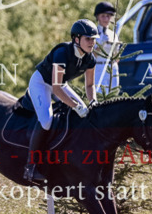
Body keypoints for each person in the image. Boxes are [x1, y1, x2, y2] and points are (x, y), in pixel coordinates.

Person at [23, 19, 98, 184]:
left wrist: (93, 102)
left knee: (85, 113)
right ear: (76, 39)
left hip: (60, 84)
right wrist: (76, 106)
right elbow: (55, 89)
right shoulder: (62, 53)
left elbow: (90, 85)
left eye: (93, 39)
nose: (92, 43)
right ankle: (31, 167)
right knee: (46, 121)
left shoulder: (90, 58)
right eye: (88, 39)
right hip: (42, 83)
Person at [93, 1, 120, 93]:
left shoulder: (113, 34)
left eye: (108, 16)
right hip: (99, 67)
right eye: (103, 16)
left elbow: (117, 56)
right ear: (98, 17)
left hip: (112, 68)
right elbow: (92, 55)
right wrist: (102, 42)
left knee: (113, 95)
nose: (106, 18)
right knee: (99, 94)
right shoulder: (93, 33)